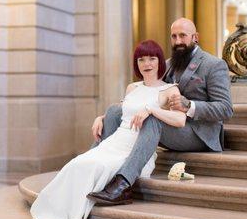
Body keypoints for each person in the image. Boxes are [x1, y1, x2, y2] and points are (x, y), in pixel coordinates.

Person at [30, 40, 186, 219]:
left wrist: (152, 110)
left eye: (152, 59)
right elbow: (123, 111)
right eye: (141, 60)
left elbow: (180, 120)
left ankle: (113, 191)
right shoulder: (132, 87)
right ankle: (56, 208)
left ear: (160, 61)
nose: (147, 64)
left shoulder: (169, 90)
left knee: (98, 166)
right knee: (78, 163)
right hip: (116, 140)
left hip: (136, 148)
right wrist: (101, 117)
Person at [87, 18, 233, 206]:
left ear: (195, 37)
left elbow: (225, 109)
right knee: (115, 111)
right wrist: (103, 118)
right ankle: (92, 164)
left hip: (198, 133)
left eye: (183, 35)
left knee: (153, 118)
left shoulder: (214, 64)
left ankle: (123, 185)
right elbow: (142, 95)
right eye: (174, 36)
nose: (178, 41)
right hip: (169, 123)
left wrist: (189, 106)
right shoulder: (167, 64)